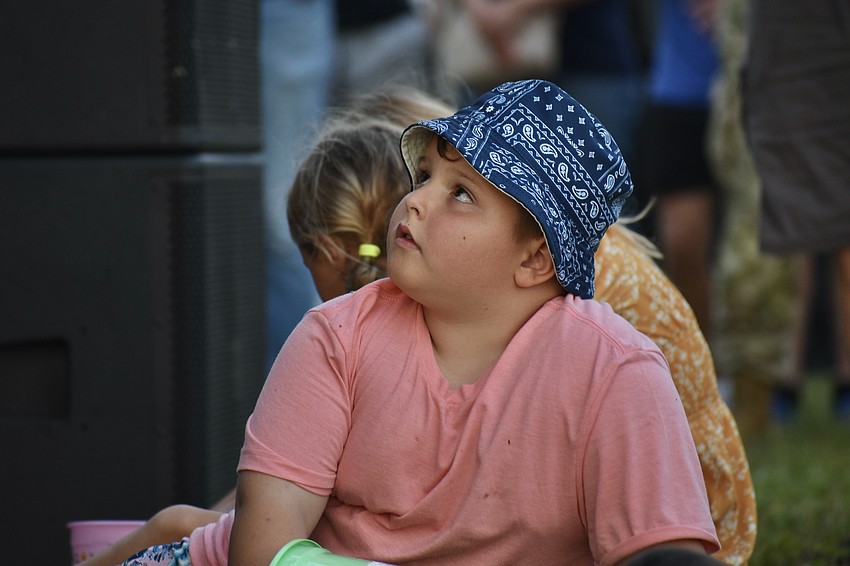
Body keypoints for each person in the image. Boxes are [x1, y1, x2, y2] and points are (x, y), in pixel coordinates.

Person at [87, 83, 735, 565]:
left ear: (536, 256)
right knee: (180, 535)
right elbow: (263, 546)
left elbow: (664, 551)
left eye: (460, 193)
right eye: (424, 175)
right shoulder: (335, 336)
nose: (416, 200)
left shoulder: (616, 371)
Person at [742, 0, 850, 420]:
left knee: (844, 237)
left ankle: (844, 375)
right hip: (783, 50)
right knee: (790, 221)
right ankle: (787, 372)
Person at [640, 0, 720, 338]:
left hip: (765, 92)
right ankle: (704, 363)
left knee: (763, 253)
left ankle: (765, 377)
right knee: (682, 243)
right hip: (680, 92)